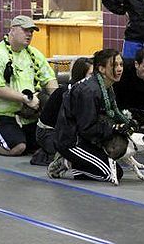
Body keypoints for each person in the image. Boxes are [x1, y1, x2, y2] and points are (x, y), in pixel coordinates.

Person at [48, 49, 138, 185]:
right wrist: (114, 128)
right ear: (101, 69)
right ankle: (67, 161)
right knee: (113, 174)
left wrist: (126, 123)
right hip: (72, 141)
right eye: (114, 65)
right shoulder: (89, 91)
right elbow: (87, 127)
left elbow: (110, 114)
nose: (119, 69)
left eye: (121, 65)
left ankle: (79, 165)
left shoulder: (107, 86)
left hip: (86, 138)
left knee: (115, 162)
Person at [0, 15, 58, 156]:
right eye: (25, 30)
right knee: (18, 148)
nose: (29, 34)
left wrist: (57, 100)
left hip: (28, 113)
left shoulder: (34, 54)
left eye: (31, 32)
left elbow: (49, 79)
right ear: (13, 30)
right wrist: (24, 98)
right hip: (0, 114)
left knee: (44, 145)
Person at [30, 57, 94, 166]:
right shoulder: (65, 92)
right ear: (81, 75)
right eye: (91, 75)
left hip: (66, 130)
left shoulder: (89, 91)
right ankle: (43, 156)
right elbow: (65, 123)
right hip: (48, 131)